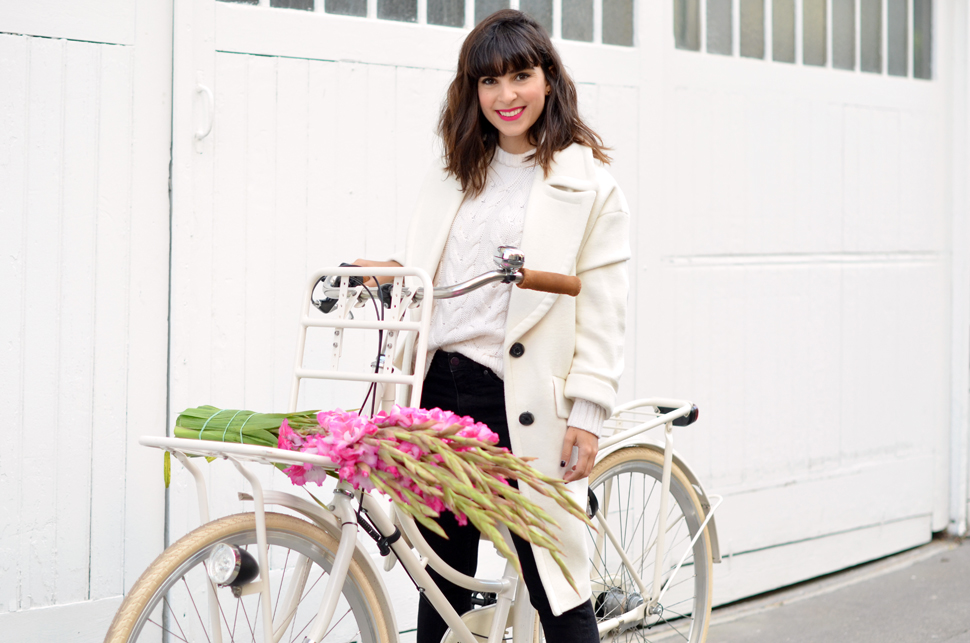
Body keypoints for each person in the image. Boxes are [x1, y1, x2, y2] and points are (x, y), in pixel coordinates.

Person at [354, 9, 630, 642]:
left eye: (521, 77)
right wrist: (393, 271)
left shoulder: (588, 185)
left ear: (549, 79)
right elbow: (447, 278)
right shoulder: (454, 172)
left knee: (553, 581)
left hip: (519, 398)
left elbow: (604, 307)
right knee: (442, 581)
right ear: (470, 91)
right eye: (488, 82)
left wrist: (588, 415)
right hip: (439, 394)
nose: (506, 97)